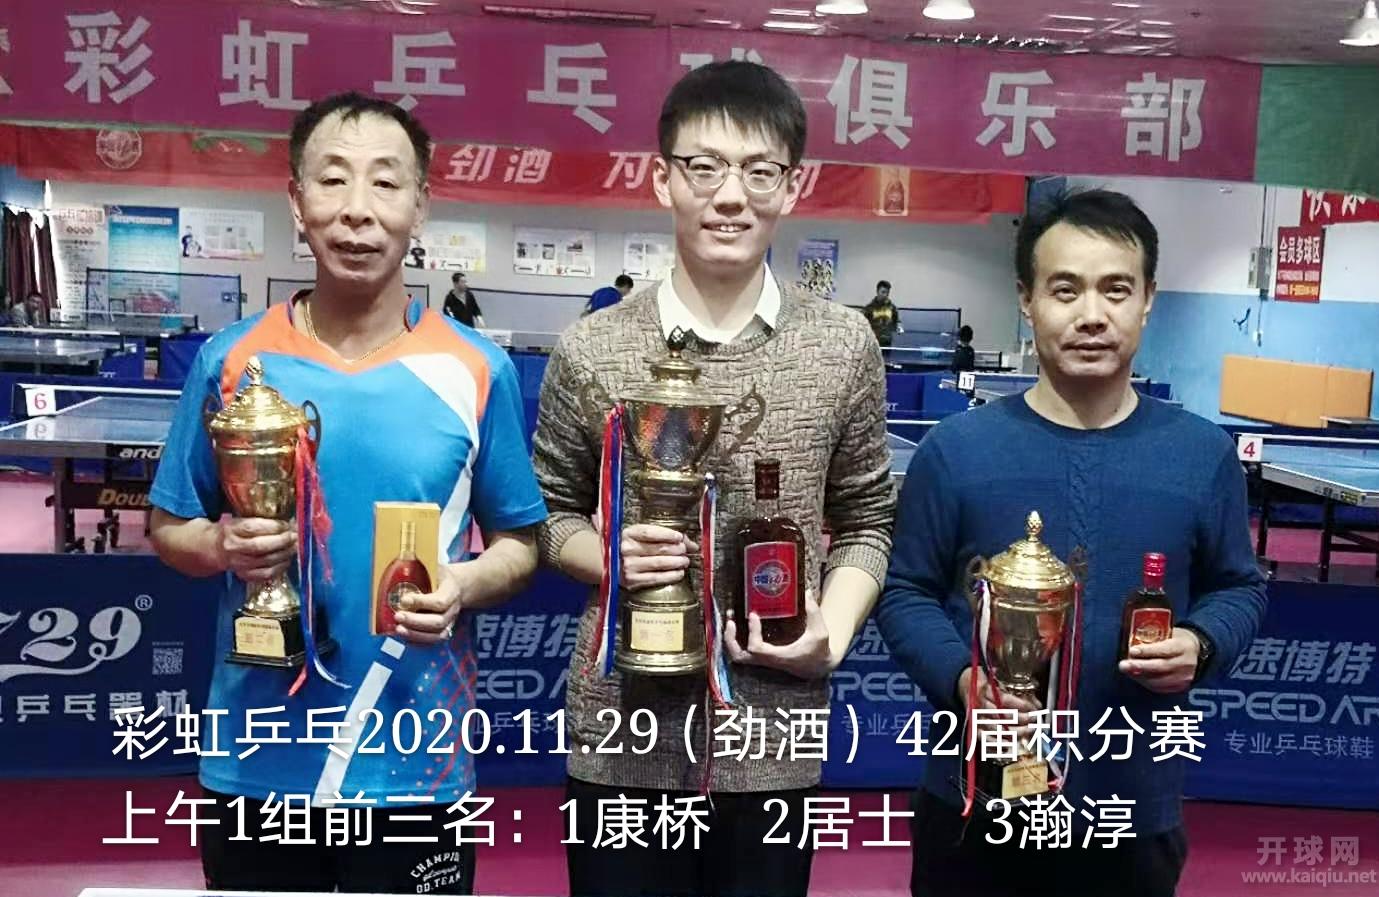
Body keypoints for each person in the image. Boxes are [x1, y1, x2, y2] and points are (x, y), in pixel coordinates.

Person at [147, 92, 547, 895]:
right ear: (297, 203)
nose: (357, 210)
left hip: (415, 760)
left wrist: (463, 582)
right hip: (258, 758)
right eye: (332, 180)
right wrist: (219, 545)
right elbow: (167, 525)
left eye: (385, 183)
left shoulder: (477, 369)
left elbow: (522, 542)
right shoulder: (231, 362)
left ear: (420, 207)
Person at [531, 60, 895, 897]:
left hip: (774, 730)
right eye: (704, 167)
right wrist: (607, 557)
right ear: (662, 178)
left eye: (759, 170)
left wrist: (831, 635)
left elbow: (869, 519)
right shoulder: (591, 347)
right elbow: (547, 511)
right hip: (619, 727)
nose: (730, 195)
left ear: (791, 186)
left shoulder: (842, 346)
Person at [877, 188, 1267, 897]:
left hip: (1129, 811)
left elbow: (1239, 586)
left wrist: (1202, 642)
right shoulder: (955, 450)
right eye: (1065, 289)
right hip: (973, 806)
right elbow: (905, 591)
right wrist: (964, 681)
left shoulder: (1201, 455)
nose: (1092, 313)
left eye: (1115, 289)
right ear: (1026, 300)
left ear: (1147, 300)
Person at [862, 280, 901, 347]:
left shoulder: (892, 307)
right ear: (877, 291)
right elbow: (861, 321)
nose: (885, 295)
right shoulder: (869, 308)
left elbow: (897, 321)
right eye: (883, 292)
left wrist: (899, 328)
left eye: (887, 293)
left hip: (887, 342)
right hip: (873, 343)